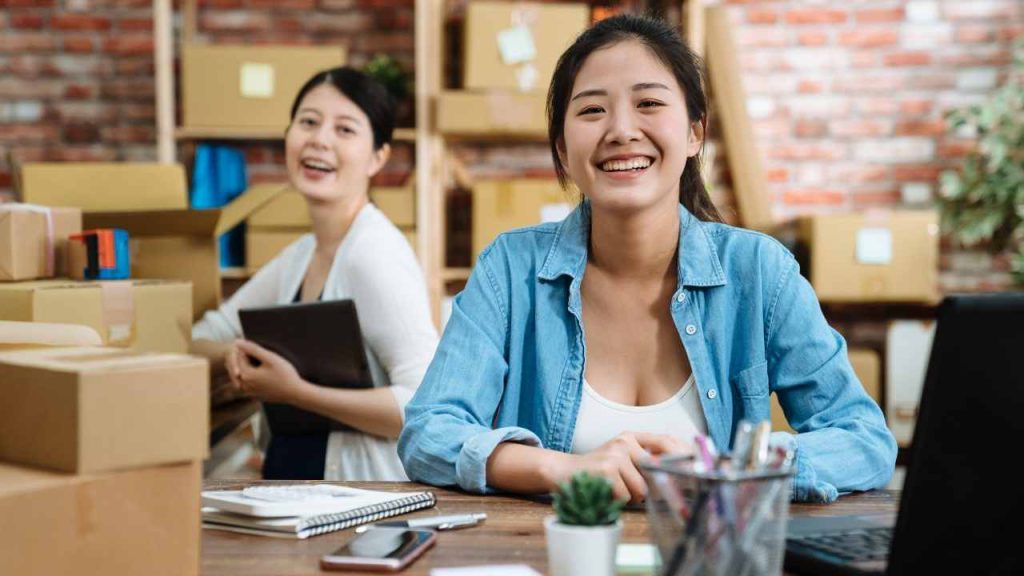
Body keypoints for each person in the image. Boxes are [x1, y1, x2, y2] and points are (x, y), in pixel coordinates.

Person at [398, 15, 896, 504]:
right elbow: (428, 431)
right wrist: (556, 467)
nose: (620, 129)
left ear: (695, 133)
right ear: (563, 149)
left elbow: (864, 440)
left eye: (649, 103)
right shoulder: (509, 268)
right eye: (592, 111)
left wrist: (727, 470)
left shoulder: (761, 271)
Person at [192, 66, 438, 481]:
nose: (319, 140)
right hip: (292, 490)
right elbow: (205, 334)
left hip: (360, 500)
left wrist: (294, 392)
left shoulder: (372, 255)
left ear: (377, 157)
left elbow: (425, 408)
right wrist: (231, 356)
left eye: (344, 129)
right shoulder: (301, 255)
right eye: (308, 122)